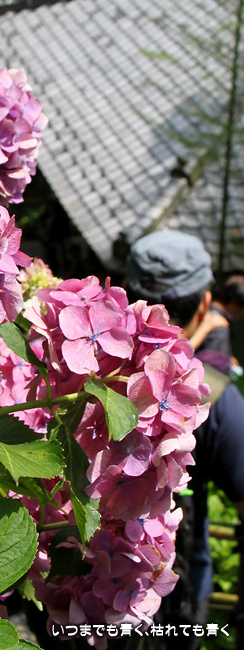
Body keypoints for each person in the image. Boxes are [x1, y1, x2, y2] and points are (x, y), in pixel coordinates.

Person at [125, 231, 244, 647]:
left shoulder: (75, 372)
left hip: (81, 587)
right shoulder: (217, 397)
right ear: (206, 304)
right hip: (174, 590)